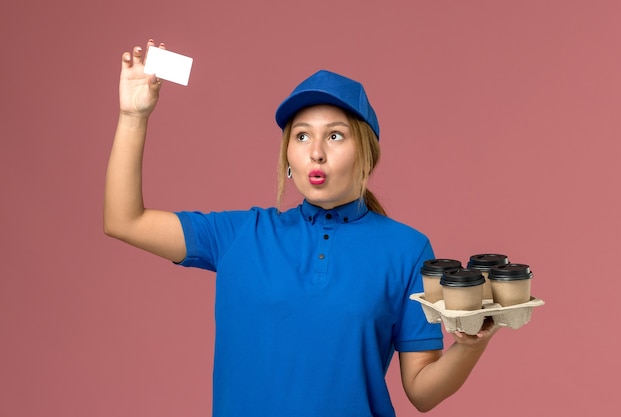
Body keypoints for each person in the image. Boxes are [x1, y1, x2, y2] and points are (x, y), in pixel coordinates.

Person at [104, 39, 499, 417]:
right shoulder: (240, 234)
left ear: (366, 153)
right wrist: (132, 117)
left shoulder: (407, 250)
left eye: (335, 135)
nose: (316, 151)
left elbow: (422, 392)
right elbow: (125, 221)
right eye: (302, 135)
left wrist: (471, 344)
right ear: (288, 156)